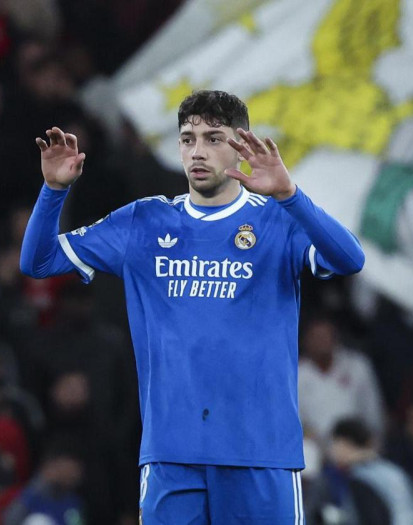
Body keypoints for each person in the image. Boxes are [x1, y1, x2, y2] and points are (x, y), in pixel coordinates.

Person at [20, 90, 365, 523]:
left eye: (213, 138)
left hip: (261, 453)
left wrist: (290, 195)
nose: (197, 151)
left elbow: (350, 259)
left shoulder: (277, 220)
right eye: (187, 139)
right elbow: (37, 261)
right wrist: (53, 191)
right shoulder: (142, 222)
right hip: (172, 456)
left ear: (241, 144)